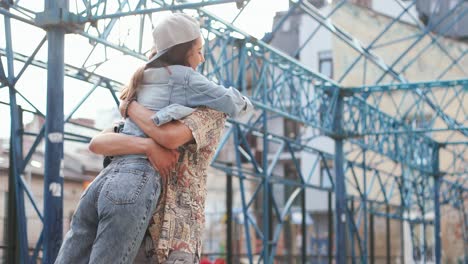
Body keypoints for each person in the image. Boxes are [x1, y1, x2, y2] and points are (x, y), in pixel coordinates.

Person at [55, 13, 252, 264]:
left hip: (105, 184)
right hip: (157, 214)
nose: (202, 59)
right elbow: (169, 137)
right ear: (184, 53)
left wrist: (130, 108)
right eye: (199, 51)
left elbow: (100, 143)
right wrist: (148, 145)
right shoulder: (192, 88)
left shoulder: (140, 90)